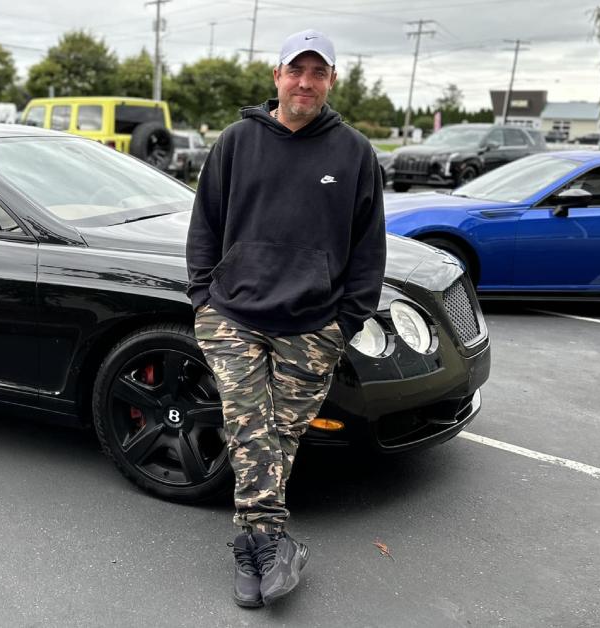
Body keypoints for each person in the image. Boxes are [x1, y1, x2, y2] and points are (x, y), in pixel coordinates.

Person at [185, 28, 386, 608]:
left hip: (313, 322)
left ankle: (260, 544)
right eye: (295, 70)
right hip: (233, 316)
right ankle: (268, 544)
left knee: (282, 434)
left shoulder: (354, 153)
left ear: (330, 81)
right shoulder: (236, 142)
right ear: (276, 76)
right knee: (249, 425)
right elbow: (204, 226)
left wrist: (345, 321)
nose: (305, 82)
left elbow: (369, 246)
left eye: (317, 72)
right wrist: (203, 296)